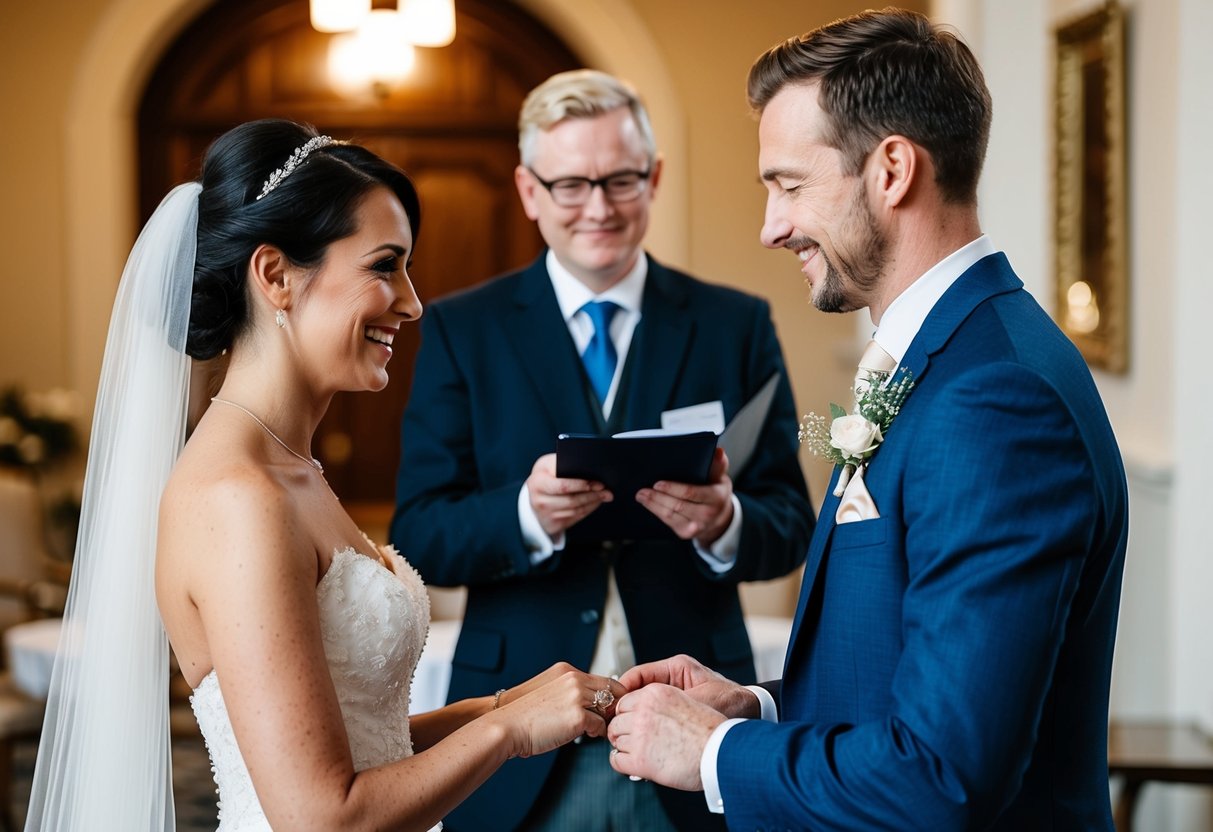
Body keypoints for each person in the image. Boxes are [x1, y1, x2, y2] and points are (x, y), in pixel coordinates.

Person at [26, 118, 627, 832]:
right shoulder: (236, 498)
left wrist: (502, 705)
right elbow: (320, 816)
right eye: (384, 266)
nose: (410, 301)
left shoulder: (291, 468)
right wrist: (509, 733)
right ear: (276, 276)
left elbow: (361, 740)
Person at [606, 10, 1129, 831]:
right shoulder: (947, 354)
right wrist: (749, 708)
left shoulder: (994, 398)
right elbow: (898, 681)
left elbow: (942, 775)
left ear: (890, 170)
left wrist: (709, 753)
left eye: (787, 183)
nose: (770, 226)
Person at [391, 70, 814, 831]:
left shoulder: (734, 324)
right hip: (516, 729)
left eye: (620, 179)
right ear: (527, 189)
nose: (598, 207)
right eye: (570, 184)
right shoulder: (464, 329)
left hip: (694, 730)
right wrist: (525, 515)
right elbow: (421, 533)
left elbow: (789, 523)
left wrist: (723, 523)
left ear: (653, 178)